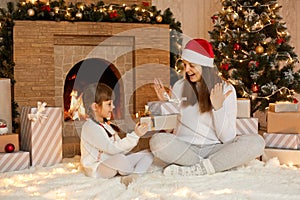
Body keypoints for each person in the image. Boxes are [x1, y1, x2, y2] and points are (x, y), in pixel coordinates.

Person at [150, 38, 265, 176]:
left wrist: (218, 108)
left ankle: (196, 169)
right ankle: (212, 165)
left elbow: (228, 138)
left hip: (215, 148)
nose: (187, 70)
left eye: (191, 65)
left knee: (257, 142)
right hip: (185, 147)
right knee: (157, 141)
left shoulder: (226, 89)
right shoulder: (180, 86)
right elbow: (169, 128)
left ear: (204, 66)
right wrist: (166, 103)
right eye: (185, 64)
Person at [80, 83, 153, 184]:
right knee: (121, 159)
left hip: (114, 160)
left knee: (148, 154)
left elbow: (120, 149)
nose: (113, 107)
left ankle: (134, 175)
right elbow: (113, 149)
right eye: (109, 104)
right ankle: (133, 172)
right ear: (95, 107)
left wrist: (137, 136)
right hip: (98, 167)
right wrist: (135, 135)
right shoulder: (90, 127)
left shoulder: (106, 124)